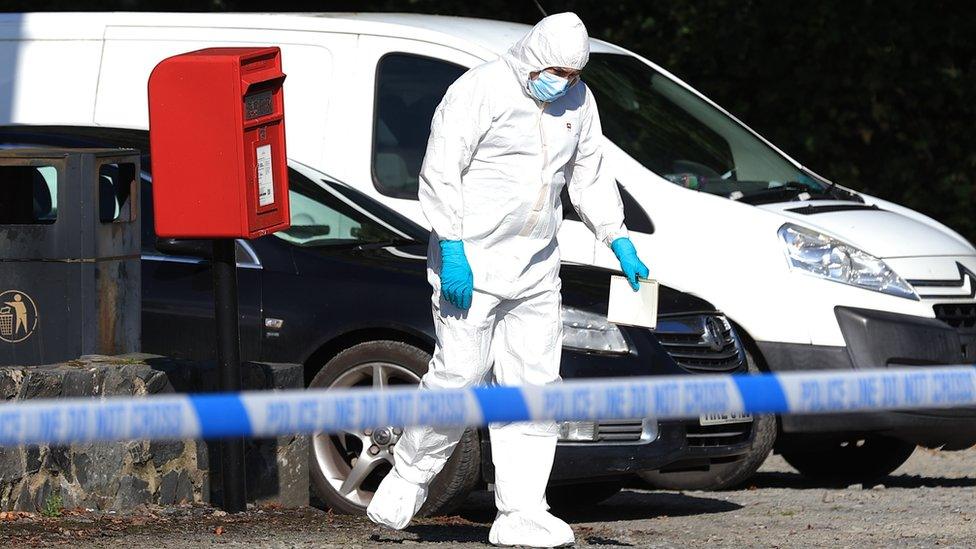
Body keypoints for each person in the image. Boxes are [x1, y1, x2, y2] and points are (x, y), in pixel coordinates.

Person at [367, 12, 649, 548]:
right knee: (459, 375)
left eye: (572, 71)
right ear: (532, 54)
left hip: (537, 265)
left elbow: (588, 173)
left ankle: (522, 510)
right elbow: (441, 168)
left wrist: (618, 237)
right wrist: (451, 246)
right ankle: (407, 478)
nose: (562, 80)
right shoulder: (480, 89)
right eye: (555, 69)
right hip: (471, 259)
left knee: (536, 386)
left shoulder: (578, 101)